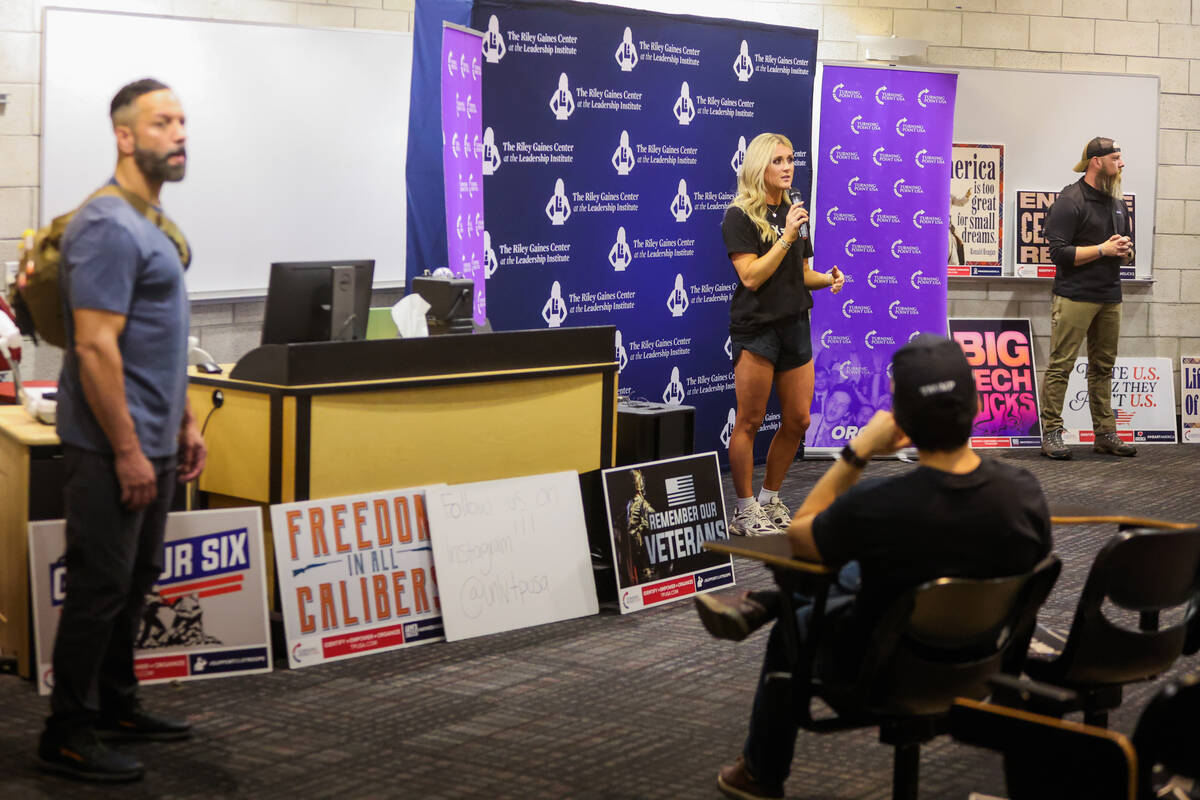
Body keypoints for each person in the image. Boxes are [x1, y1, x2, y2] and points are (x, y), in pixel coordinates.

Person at [695, 335, 1052, 800]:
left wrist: (856, 454)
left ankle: (762, 772)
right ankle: (768, 604)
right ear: (979, 403)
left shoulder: (878, 506)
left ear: (898, 420)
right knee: (858, 571)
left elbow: (801, 537)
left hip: (881, 671)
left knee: (801, 614)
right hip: (987, 665)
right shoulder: (1024, 492)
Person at [39, 78, 206, 783]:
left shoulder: (151, 224)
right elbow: (96, 348)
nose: (179, 134)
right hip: (112, 447)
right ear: (125, 136)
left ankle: (117, 703)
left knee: (135, 579)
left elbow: (157, 339)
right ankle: (67, 732)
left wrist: (186, 419)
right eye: (162, 122)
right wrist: (131, 449)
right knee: (99, 586)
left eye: (183, 121)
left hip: (157, 439)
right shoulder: (108, 225)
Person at [721, 133, 844, 537]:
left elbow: (799, 273)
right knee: (751, 420)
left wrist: (826, 279)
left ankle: (770, 499)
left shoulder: (795, 210)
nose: (788, 166)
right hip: (757, 329)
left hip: (795, 325)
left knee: (799, 419)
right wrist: (786, 236)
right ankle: (743, 508)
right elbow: (751, 276)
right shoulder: (739, 216)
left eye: (790, 159)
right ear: (760, 167)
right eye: (778, 160)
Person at [1039, 136, 1136, 460]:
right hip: (1075, 296)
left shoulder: (1117, 202)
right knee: (1061, 366)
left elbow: (1123, 247)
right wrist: (1103, 249)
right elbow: (1059, 253)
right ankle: (1052, 433)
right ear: (1097, 161)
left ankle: (1105, 433)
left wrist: (1123, 251)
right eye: (1116, 158)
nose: (1121, 164)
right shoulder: (1071, 200)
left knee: (1103, 367)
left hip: (1110, 295)